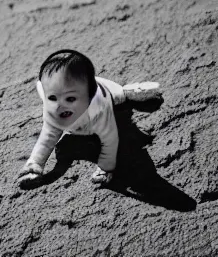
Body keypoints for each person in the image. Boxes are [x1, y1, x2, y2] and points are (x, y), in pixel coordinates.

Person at [18, 49, 160, 187]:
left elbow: (110, 141)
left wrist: (105, 168)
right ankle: (33, 168)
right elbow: (46, 139)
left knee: (118, 96)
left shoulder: (100, 106)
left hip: (99, 111)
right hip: (73, 132)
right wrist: (35, 163)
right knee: (54, 139)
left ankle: (130, 91)